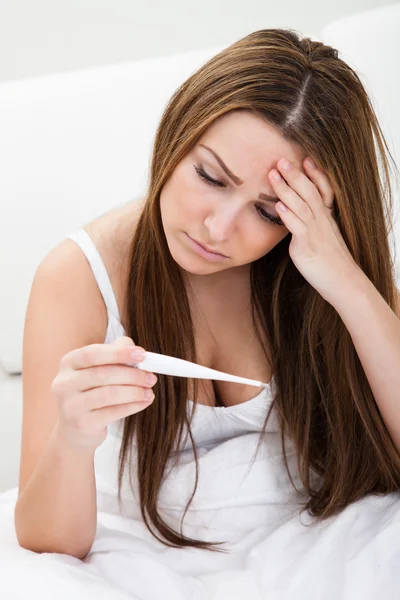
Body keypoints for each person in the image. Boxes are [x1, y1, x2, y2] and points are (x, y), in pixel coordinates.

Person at [2, 27, 400, 598]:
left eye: (269, 211)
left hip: (315, 544)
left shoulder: (311, 270)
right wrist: (72, 437)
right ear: (177, 133)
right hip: (141, 561)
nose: (218, 229)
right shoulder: (77, 277)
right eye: (210, 176)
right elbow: (48, 543)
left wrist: (347, 283)